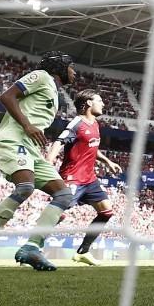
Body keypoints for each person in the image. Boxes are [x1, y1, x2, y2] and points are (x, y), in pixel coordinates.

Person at [0, 52, 77, 271]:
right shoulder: (42, 76)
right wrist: (26, 126)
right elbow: (7, 96)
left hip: (30, 150)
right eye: (71, 67)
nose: (75, 72)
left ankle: (31, 248)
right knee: (25, 187)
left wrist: (6, 159)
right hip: (16, 140)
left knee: (63, 195)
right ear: (59, 68)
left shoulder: (54, 93)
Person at [47, 89, 122, 266]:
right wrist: (49, 161)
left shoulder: (94, 124)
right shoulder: (77, 123)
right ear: (88, 103)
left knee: (106, 211)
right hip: (72, 177)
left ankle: (83, 252)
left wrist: (107, 161)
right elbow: (59, 141)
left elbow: (93, 147)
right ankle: (33, 243)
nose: (103, 103)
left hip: (90, 179)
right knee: (57, 213)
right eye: (99, 100)